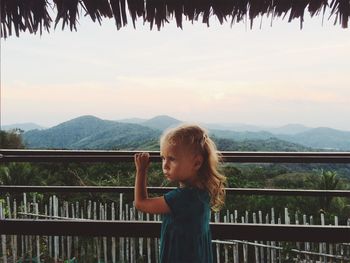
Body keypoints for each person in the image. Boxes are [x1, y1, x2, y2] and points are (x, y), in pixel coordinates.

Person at [134, 124, 226, 263]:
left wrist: (141, 170)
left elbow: (141, 203)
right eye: (163, 158)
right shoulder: (203, 191)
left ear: (196, 163)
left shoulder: (182, 198)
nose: (165, 165)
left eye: (172, 159)